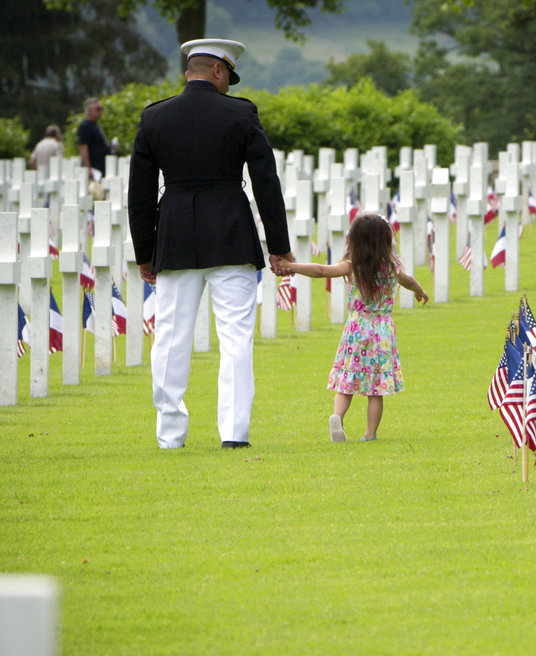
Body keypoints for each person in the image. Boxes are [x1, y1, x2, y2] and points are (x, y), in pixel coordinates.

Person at [127, 38, 293, 450]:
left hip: (176, 237)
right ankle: (234, 434)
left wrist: (145, 254)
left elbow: (140, 194)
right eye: (228, 78)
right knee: (236, 338)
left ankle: (170, 435)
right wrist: (279, 246)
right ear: (219, 71)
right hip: (231, 235)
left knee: (170, 336)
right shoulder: (241, 113)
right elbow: (266, 183)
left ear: (189, 70)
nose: (229, 87)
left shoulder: (154, 118)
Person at [281, 213, 428, 442]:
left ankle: (337, 417)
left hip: (356, 330)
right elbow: (408, 280)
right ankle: (370, 434)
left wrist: (292, 266)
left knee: (346, 381)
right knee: (375, 389)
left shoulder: (352, 266)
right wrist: (420, 291)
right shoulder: (392, 267)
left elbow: (321, 270)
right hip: (381, 333)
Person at [77, 98, 117, 197]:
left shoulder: (96, 126)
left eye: (101, 109)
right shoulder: (85, 126)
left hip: (102, 167)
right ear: (89, 110)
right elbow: (83, 147)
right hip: (95, 168)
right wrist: (88, 168)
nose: (100, 112)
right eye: (98, 109)